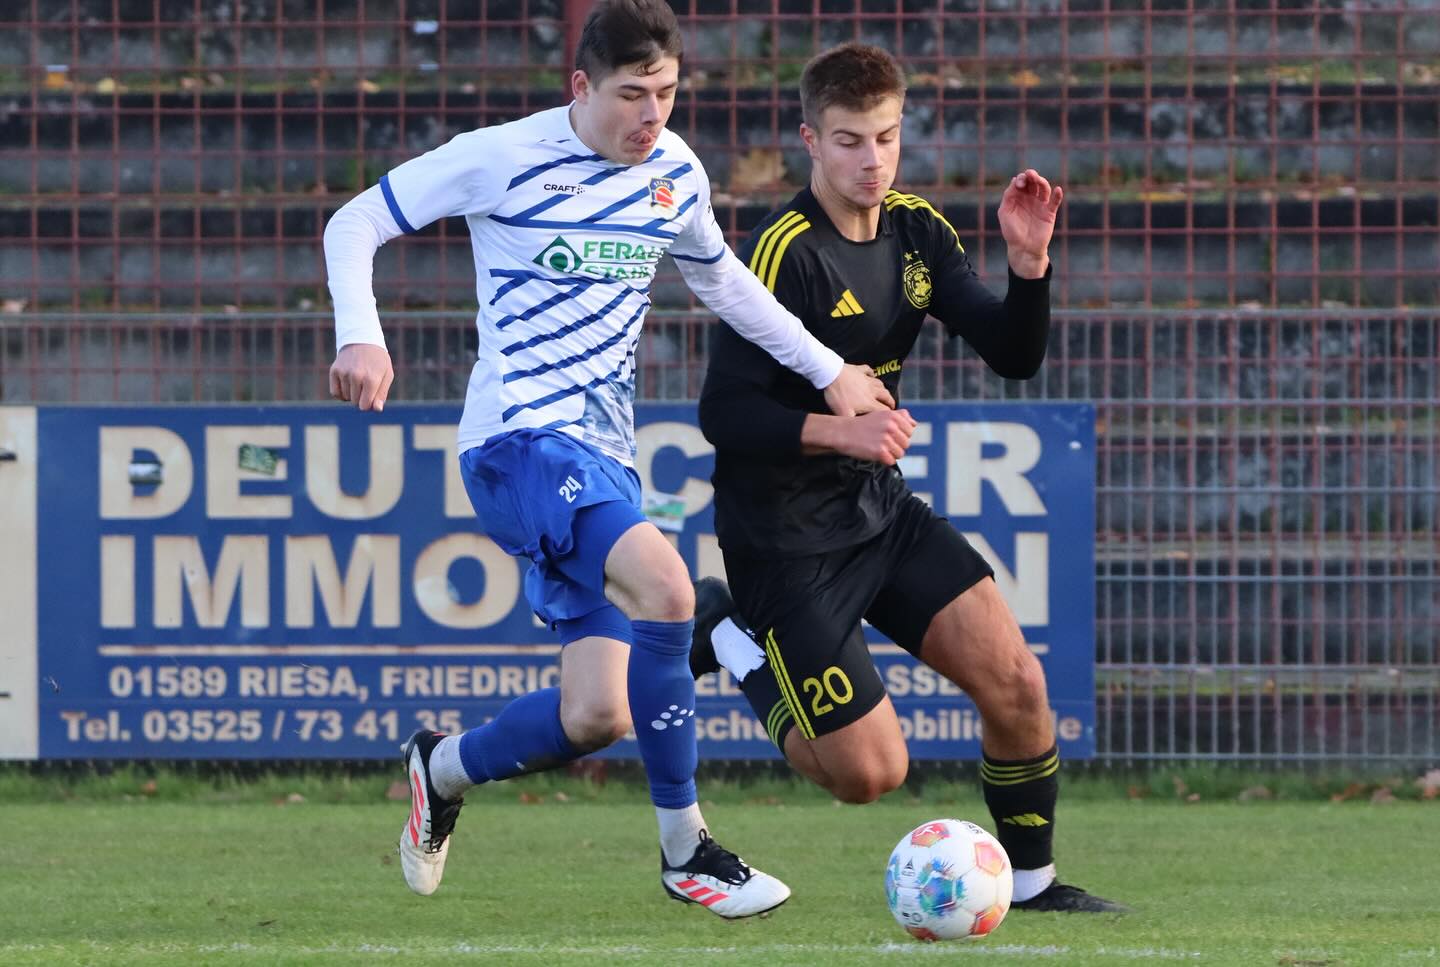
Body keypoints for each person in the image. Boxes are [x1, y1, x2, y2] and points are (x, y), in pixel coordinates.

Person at [323, 0, 891, 918]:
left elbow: (722, 279)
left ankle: (442, 766)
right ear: (582, 86)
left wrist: (829, 372)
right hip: (518, 442)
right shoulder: (503, 156)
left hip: (603, 454)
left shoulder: (674, 171)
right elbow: (355, 223)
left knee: (598, 713)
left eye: (666, 92)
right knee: (668, 590)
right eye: (632, 94)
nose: (652, 114)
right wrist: (362, 334)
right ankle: (686, 851)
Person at [691, 42, 1125, 913]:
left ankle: (1031, 883)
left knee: (1018, 681)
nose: (872, 160)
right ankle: (728, 634)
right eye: (850, 141)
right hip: (783, 541)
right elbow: (723, 413)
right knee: (868, 774)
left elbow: (1013, 355)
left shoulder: (918, 230)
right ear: (811, 140)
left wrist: (1028, 267)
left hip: (879, 514)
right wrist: (841, 430)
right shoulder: (782, 252)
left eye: (886, 138)